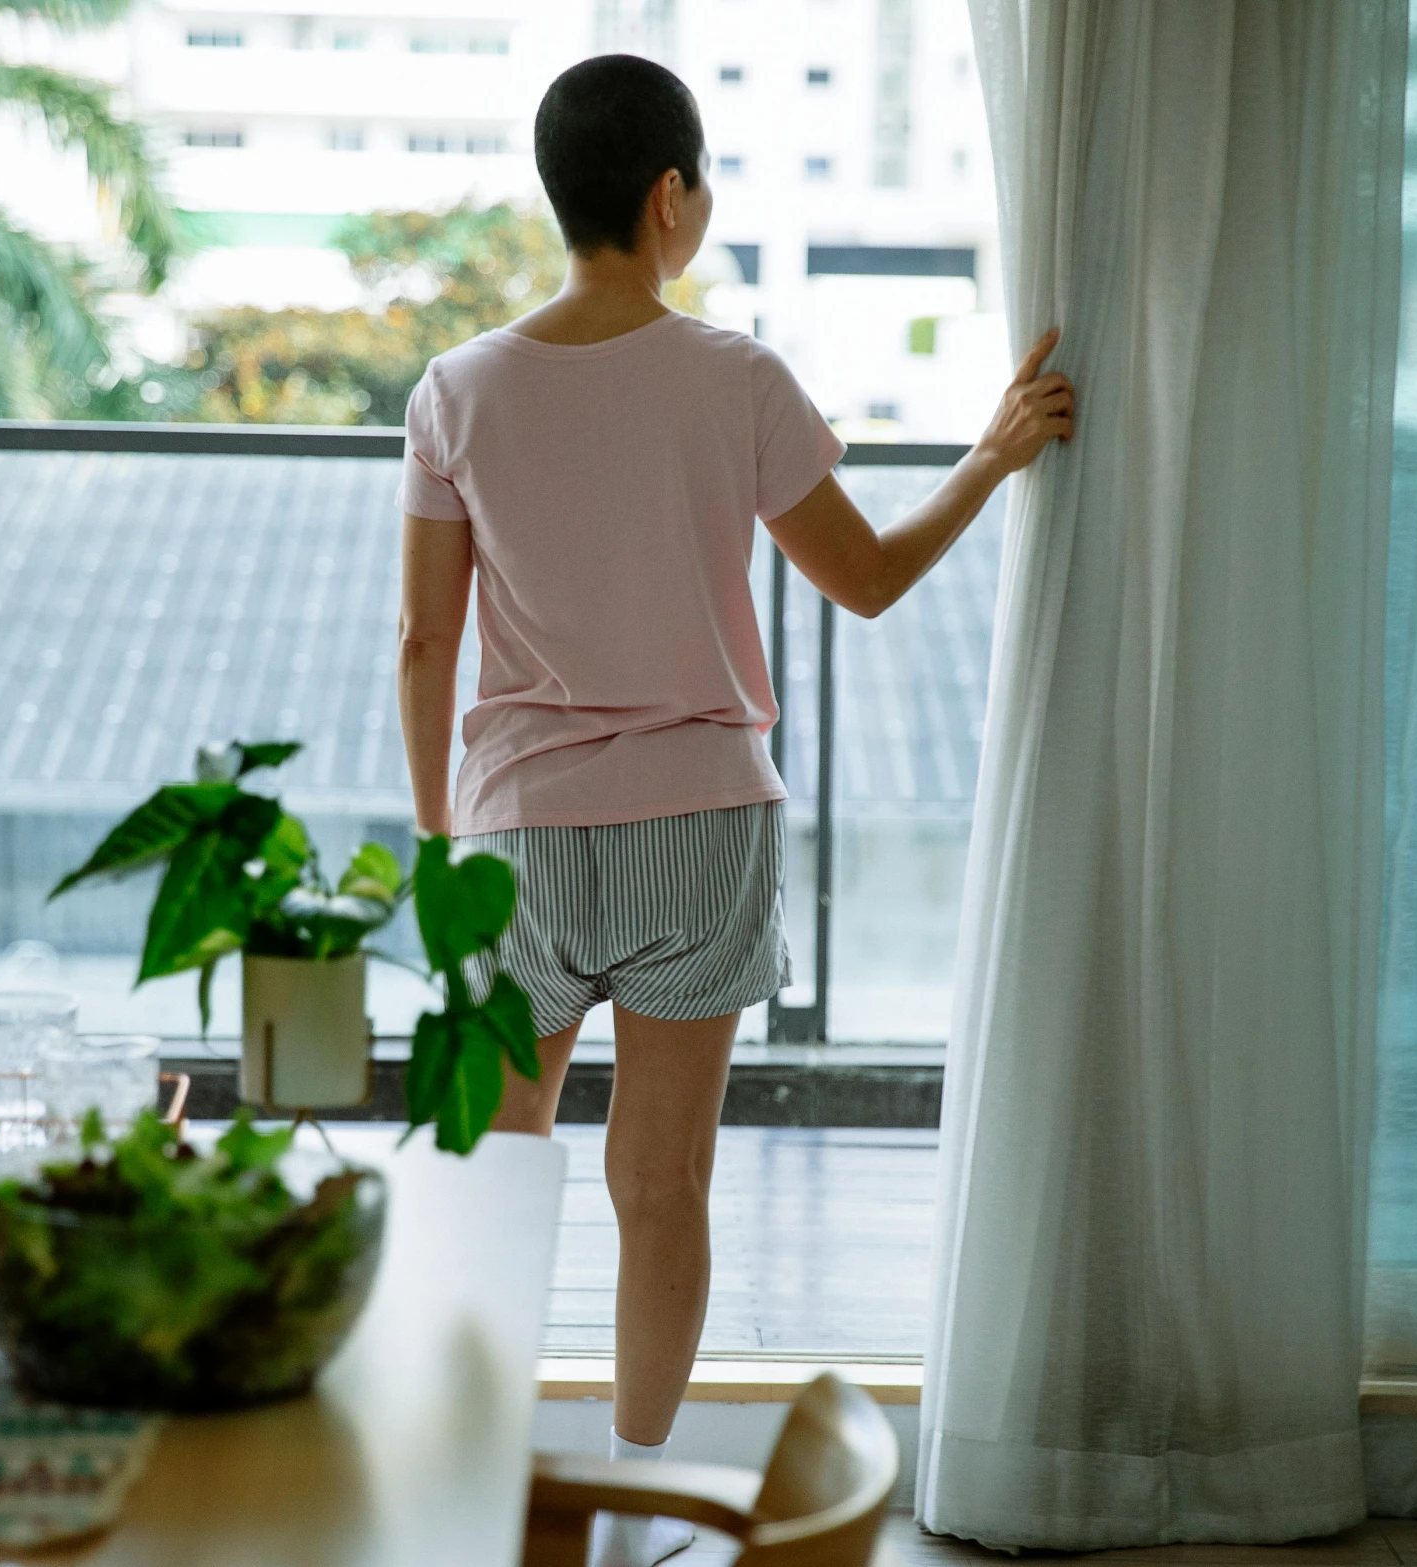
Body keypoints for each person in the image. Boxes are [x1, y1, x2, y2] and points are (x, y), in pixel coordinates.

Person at [396, 53, 1072, 1567]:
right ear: (668, 198)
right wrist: (990, 455)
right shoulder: (737, 377)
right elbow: (871, 579)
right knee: (663, 1183)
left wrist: (444, 832)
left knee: (497, 1177)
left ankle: (473, 1499)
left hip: (516, 834)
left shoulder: (456, 390)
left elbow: (425, 644)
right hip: (705, 820)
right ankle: (639, 1503)